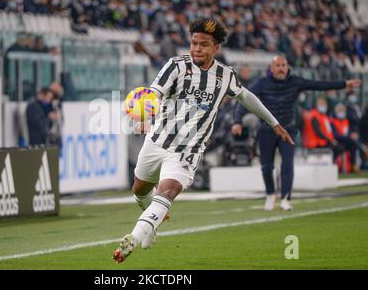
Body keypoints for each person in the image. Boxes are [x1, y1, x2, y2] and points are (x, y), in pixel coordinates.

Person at [112, 18, 294, 263]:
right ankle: (151, 225)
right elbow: (153, 94)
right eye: (194, 43)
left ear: (215, 48)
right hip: (156, 141)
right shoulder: (175, 66)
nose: (197, 48)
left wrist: (274, 123)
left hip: (188, 150)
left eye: (204, 44)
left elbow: (247, 97)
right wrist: (142, 111)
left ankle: (132, 239)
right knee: (140, 190)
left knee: (167, 191)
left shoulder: (225, 75)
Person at [232, 56, 361, 211]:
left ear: (288, 67)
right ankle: (271, 194)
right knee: (267, 166)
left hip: (288, 129)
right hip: (266, 130)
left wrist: (345, 84)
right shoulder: (261, 83)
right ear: (271, 68)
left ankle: (286, 197)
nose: (281, 68)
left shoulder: (295, 81)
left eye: (283, 65)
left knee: (287, 163)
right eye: (277, 65)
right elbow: (245, 98)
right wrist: (237, 121)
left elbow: (319, 85)